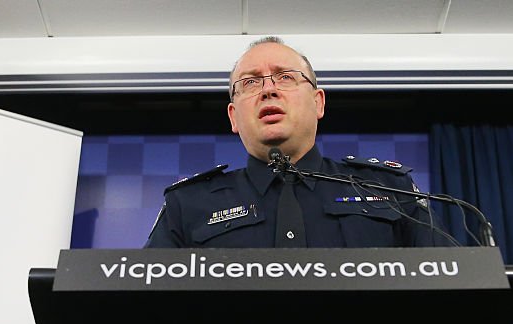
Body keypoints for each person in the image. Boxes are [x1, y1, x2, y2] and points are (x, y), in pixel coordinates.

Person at [145, 36, 450, 248]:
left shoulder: (388, 189)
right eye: (250, 82)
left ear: (318, 103)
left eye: (285, 77)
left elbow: (451, 285)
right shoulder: (187, 205)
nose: (268, 90)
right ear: (234, 117)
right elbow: (143, 309)